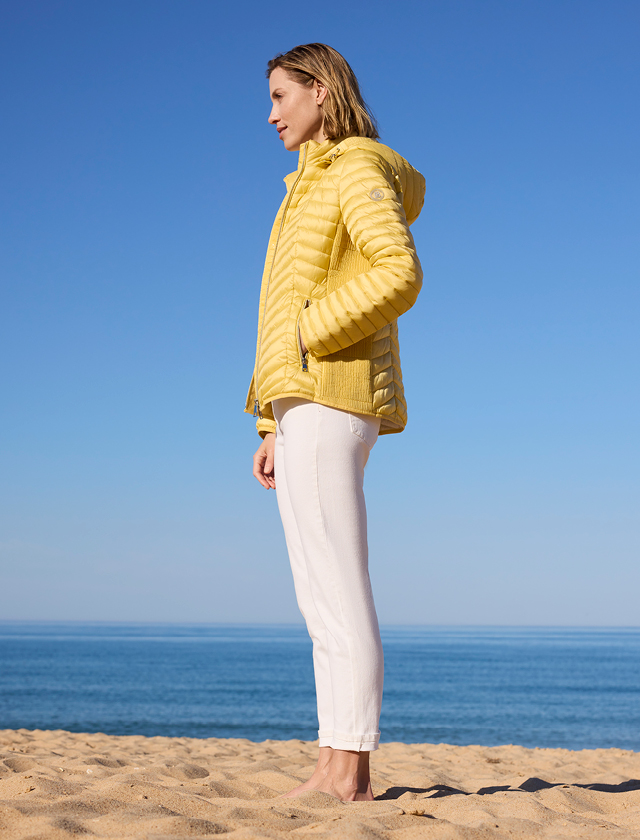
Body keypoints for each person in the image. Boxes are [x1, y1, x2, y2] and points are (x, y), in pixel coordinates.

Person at [246, 43, 425, 801]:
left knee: (339, 590)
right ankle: (332, 760)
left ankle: (350, 772)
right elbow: (276, 311)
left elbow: (398, 270)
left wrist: (313, 333)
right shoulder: (301, 189)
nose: (271, 113)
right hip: (300, 408)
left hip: (333, 396)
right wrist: (266, 424)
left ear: (321, 91)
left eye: (283, 96)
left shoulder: (355, 167)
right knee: (317, 595)